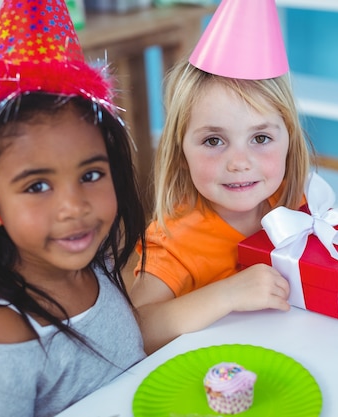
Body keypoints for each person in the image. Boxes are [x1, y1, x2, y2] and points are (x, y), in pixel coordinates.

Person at [0, 1, 146, 416]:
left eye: (90, 175)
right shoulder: (6, 331)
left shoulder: (96, 263)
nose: (74, 207)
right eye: (37, 186)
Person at [130, 0, 315, 354]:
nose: (239, 162)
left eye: (260, 138)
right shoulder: (174, 241)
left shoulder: (294, 206)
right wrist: (228, 293)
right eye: (214, 141)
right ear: (180, 153)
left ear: (290, 141)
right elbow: (138, 329)